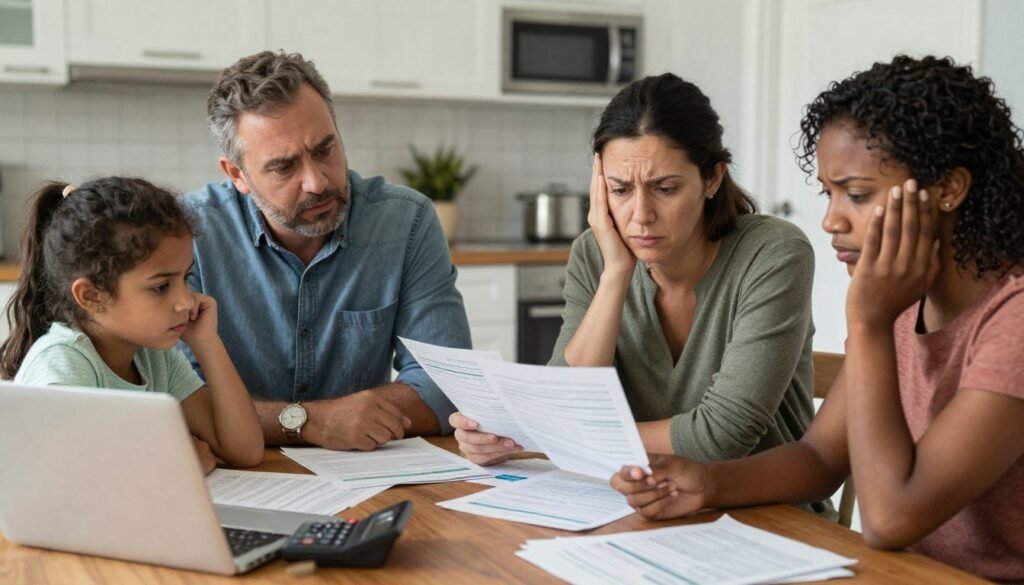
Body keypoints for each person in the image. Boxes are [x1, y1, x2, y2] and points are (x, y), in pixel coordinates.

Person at [611, 55, 1024, 582]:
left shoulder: (1010, 317)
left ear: (949, 189)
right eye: (828, 194)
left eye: (857, 194)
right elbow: (820, 458)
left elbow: (890, 518)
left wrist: (869, 324)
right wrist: (707, 484)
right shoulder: (907, 303)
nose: (831, 219)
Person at [451, 73, 817, 472]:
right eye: (620, 190)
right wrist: (616, 274)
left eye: (665, 188)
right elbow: (566, 401)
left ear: (712, 178)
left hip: (768, 515)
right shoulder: (595, 254)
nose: (640, 216)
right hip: (637, 501)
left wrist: (550, 436)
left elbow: (722, 437)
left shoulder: (773, 253)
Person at [183, 51, 471, 452]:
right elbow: (183, 404)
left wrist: (349, 419)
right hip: (239, 476)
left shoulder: (406, 223)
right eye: (284, 167)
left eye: (324, 150)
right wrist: (312, 422)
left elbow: (447, 385)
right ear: (237, 175)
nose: (316, 182)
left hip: (367, 473)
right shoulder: (186, 235)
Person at [0, 177, 264, 475]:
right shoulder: (63, 365)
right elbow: (78, 480)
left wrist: (208, 343)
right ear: (91, 296)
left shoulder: (154, 358)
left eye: (185, 278)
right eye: (161, 287)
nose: (186, 302)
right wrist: (180, 463)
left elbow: (246, 451)